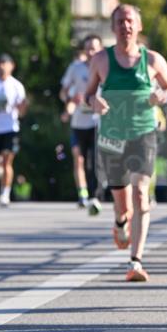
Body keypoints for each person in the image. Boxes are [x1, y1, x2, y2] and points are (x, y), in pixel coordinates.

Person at [84, 4, 167, 282]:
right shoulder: (101, 60)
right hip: (112, 137)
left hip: (143, 134)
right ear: (113, 28)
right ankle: (119, 222)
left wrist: (164, 96)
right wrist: (94, 101)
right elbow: (87, 94)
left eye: (129, 21)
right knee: (122, 203)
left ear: (138, 26)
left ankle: (136, 262)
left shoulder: (152, 61)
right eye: (120, 21)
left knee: (140, 194)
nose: (125, 26)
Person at [60, 35, 103, 214]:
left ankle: (95, 194)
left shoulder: (106, 69)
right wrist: (70, 99)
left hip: (97, 123)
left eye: (94, 48)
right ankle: (82, 194)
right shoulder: (75, 68)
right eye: (88, 48)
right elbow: (62, 92)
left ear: (101, 49)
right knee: (78, 159)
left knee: (93, 161)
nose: (91, 52)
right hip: (78, 122)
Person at [0, 53, 27, 206]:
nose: (1, 67)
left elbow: (22, 111)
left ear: (11, 66)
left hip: (10, 128)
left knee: (7, 162)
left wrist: (22, 108)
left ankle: (5, 194)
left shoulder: (16, 86)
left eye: (4, 64)